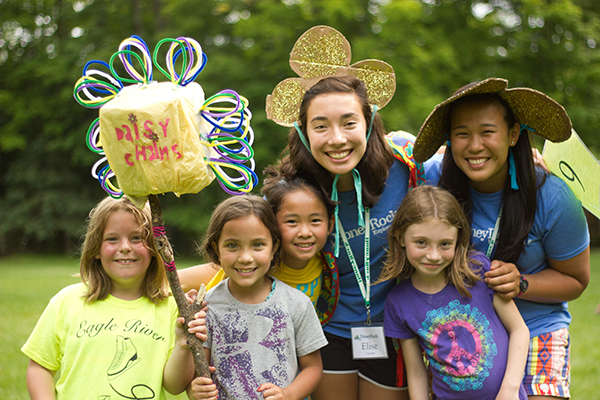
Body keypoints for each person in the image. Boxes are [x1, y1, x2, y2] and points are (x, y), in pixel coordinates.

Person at [413, 78, 591, 398]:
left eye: (487, 132)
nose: (474, 146)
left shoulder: (552, 197)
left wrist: (522, 283)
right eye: (462, 134)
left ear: (513, 135)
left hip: (536, 329)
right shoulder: (434, 179)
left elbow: (577, 280)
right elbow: (393, 147)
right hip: (460, 335)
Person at [21, 196, 201, 400]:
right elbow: (40, 367)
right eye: (112, 239)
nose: (125, 247)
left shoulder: (171, 307)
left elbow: (174, 386)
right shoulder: (66, 301)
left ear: (153, 248)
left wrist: (182, 344)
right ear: (96, 248)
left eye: (136, 238)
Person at [379, 185, 529, 400]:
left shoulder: (478, 271)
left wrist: (510, 389)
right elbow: (416, 372)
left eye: (445, 244)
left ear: (458, 240)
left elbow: (519, 330)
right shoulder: (398, 302)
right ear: (401, 238)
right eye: (421, 243)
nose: (433, 255)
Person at [187, 195, 328, 400]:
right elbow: (198, 375)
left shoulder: (297, 303)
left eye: (258, 245)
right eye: (233, 245)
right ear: (216, 248)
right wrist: (195, 391)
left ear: (274, 248)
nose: (245, 257)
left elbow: (313, 368)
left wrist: (288, 394)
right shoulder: (207, 307)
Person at [179, 169, 340, 324]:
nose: (305, 232)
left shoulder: (325, 262)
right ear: (272, 225)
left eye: (315, 221)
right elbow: (167, 279)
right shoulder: (254, 264)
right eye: (292, 221)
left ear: (330, 224)